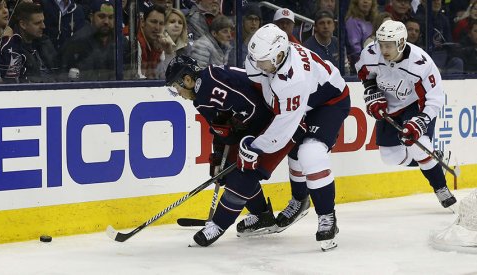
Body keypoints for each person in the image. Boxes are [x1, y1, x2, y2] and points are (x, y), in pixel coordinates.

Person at [164, 55, 305, 247]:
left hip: (278, 119)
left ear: (187, 79)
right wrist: (217, 156)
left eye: (176, 87)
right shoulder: (200, 95)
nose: (177, 92)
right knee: (227, 169)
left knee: (245, 172)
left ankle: (219, 224)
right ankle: (261, 215)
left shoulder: (212, 83)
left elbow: (256, 109)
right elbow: (219, 126)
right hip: (259, 121)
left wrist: (239, 126)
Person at [244, 23, 351, 251]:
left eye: (262, 60)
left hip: (328, 102)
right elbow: (259, 83)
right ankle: (300, 200)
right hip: (303, 103)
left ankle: (327, 216)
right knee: (295, 149)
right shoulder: (264, 59)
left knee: (310, 153)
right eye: (254, 58)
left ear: (280, 55)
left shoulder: (295, 79)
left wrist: (254, 148)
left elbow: (280, 134)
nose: (256, 64)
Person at [355, 20, 457, 210]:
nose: (383, 50)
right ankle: (435, 159)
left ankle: (440, 187)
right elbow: (364, 74)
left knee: (419, 147)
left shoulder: (420, 63)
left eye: (389, 45)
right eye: (381, 44)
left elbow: (434, 99)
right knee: (390, 157)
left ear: (401, 43)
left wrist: (420, 121)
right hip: (391, 107)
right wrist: (372, 93)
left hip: (415, 105)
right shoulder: (371, 53)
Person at [59, 0, 130, 81]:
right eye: (101, 16)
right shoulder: (77, 42)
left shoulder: (121, 42)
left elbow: (128, 73)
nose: (106, 22)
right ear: (91, 17)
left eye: (111, 17)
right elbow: (63, 76)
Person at [0, 1, 58, 83]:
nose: (43, 26)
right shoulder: (12, 49)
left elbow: (59, 72)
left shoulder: (45, 42)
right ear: (23, 24)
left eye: (43, 21)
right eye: (37, 23)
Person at [345, 0, 379, 72]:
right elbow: (355, 49)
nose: (365, 1)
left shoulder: (374, 20)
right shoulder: (352, 21)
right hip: (360, 68)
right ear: (356, 2)